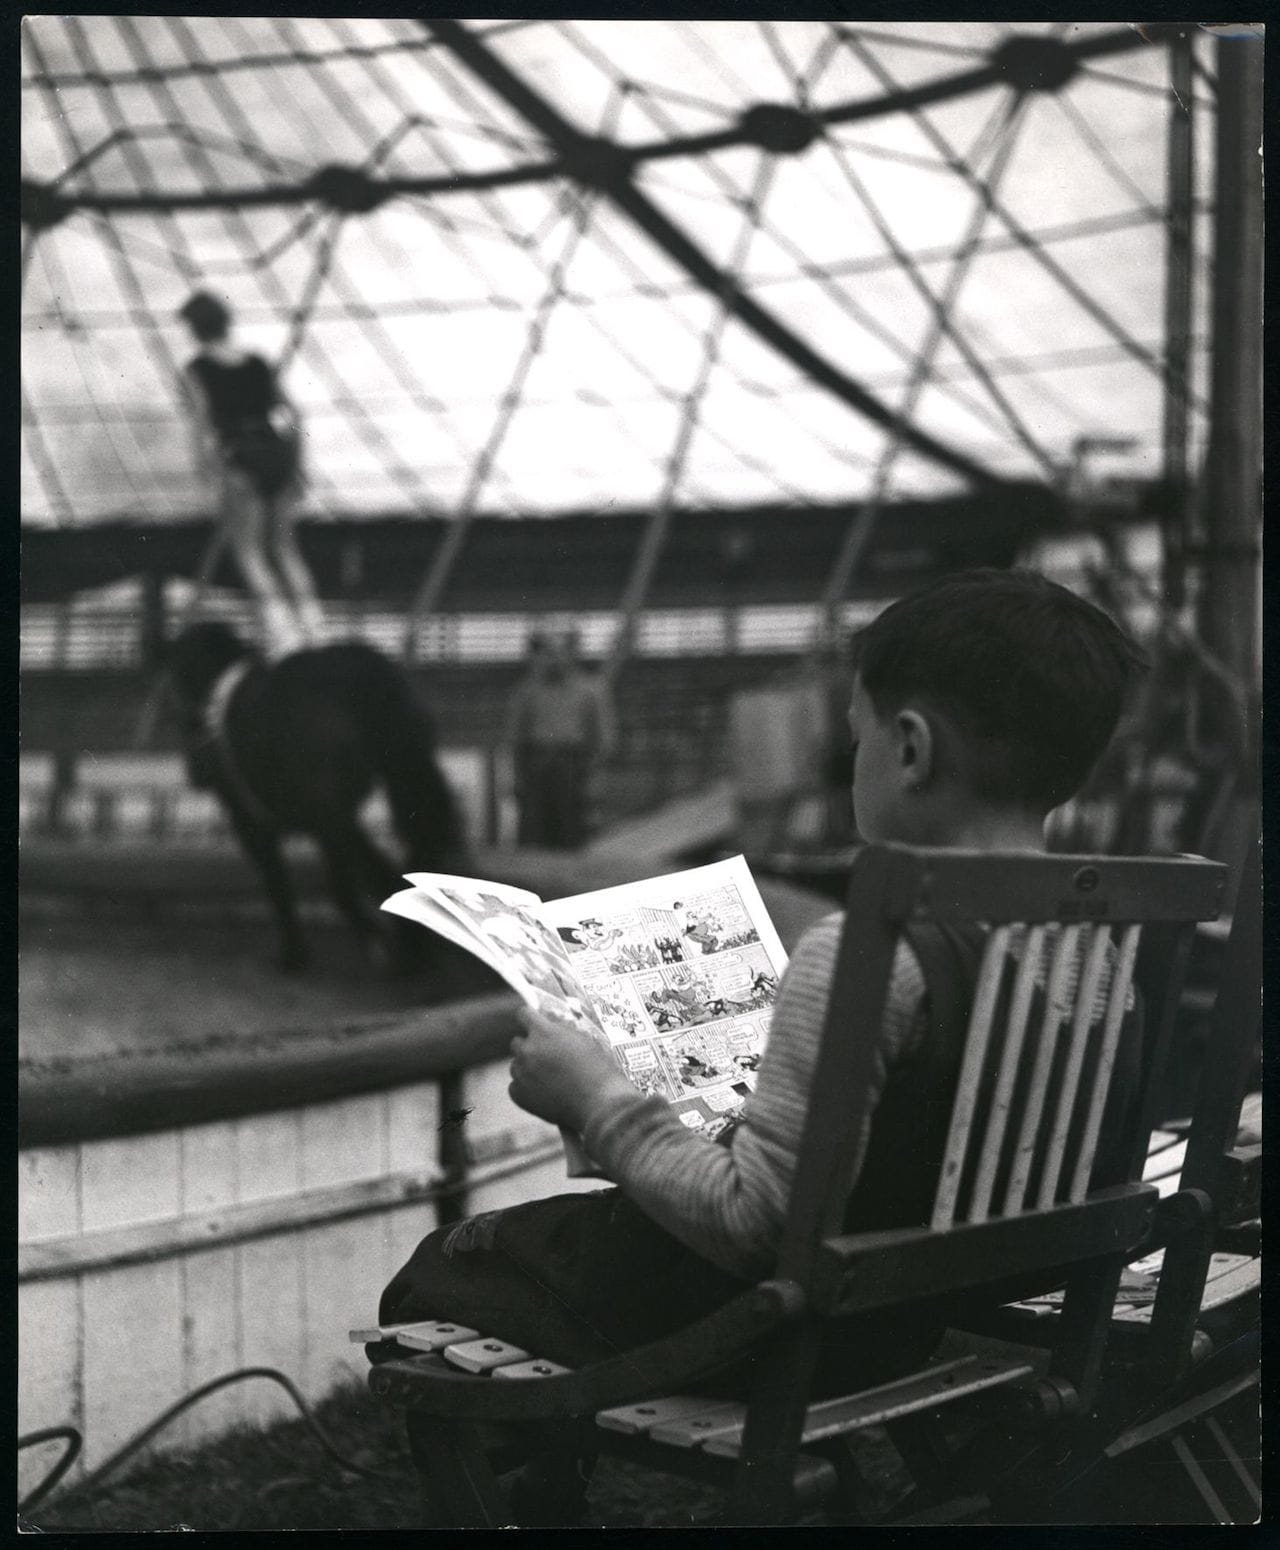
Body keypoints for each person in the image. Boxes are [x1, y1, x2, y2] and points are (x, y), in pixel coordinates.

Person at [372, 569, 1148, 1523]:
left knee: (444, 1268)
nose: (851, 758)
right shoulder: (1101, 941)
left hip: (788, 1330)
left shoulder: (873, 948)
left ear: (909, 748)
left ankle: (534, 1501)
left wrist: (591, 1099)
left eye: (853, 737)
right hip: (922, 1310)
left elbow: (752, 1228)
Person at [178, 290, 325, 658]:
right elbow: (295, 414)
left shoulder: (197, 370)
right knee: (285, 548)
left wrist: (207, 474)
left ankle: (285, 639)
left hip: (241, 458)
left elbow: (200, 424)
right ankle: (316, 631)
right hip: (279, 453)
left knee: (249, 552)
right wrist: (298, 462)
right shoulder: (258, 362)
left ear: (194, 330)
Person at [506, 627, 615, 848]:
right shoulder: (527, 691)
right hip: (536, 767)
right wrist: (515, 777)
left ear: (572, 653)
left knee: (571, 836)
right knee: (533, 837)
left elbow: (604, 738)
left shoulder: (591, 690)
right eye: (547, 652)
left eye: (559, 651)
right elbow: (515, 739)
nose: (553, 658)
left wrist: (593, 777)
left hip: (574, 768)